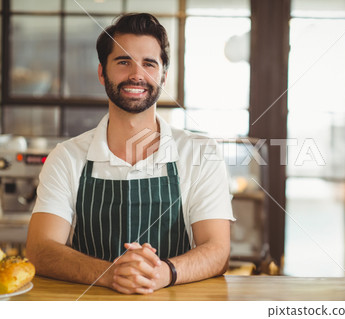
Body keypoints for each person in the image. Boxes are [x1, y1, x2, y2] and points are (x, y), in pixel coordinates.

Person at [26, 13, 234, 294]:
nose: (136, 74)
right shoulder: (67, 157)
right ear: (102, 72)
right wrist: (110, 274)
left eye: (149, 64)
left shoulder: (200, 153)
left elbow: (217, 250)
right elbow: (40, 249)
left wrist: (164, 272)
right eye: (123, 62)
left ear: (164, 75)